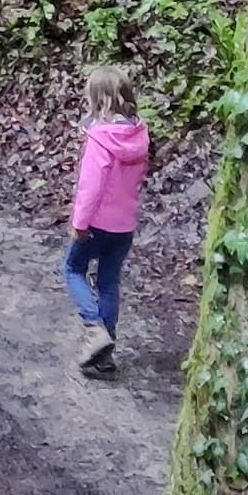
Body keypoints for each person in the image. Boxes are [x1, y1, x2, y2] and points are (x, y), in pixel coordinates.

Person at [67, 64, 149, 376]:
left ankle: (94, 329)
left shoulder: (100, 139)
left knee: (72, 269)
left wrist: (79, 223)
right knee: (108, 282)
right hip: (124, 224)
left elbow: (91, 186)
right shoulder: (139, 134)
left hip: (97, 222)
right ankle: (105, 354)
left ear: (95, 99)